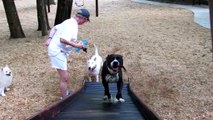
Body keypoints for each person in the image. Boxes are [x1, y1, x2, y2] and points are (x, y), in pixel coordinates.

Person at [44, 8, 90, 99]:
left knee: (64, 76)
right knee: (65, 77)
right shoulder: (71, 25)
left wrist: (49, 39)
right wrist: (76, 45)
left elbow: (55, 28)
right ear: (83, 18)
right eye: (85, 21)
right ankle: (65, 98)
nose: (84, 23)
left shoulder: (69, 21)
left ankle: (65, 94)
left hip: (58, 50)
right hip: (57, 52)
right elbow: (63, 39)